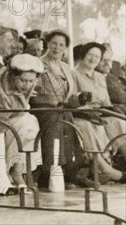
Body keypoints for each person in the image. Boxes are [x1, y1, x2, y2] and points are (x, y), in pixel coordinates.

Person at [0, 54, 44, 191]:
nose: (28, 85)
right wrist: (1, 174)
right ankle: (3, 173)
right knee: (26, 122)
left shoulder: (27, 83)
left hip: (7, 118)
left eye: (31, 81)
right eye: (24, 81)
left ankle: (18, 171)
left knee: (30, 121)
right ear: (13, 76)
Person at [70, 42, 126, 181]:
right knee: (86, 126)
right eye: (90, 55)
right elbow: (71, 101)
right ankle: (105, 168)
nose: (94, 59)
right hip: (80, 115)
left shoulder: (100, 77)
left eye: (97, 56)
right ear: (83, 55)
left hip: (100, 113)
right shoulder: (73, 74)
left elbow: (106, 104)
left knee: (118, 122)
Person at [31, 30, 78, 187]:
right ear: (47, 44)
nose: (57, 48)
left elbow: (69, 95)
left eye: (61, 45)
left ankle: (68, 172)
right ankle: (49, 171)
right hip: (41, 108)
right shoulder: (36, 63)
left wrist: (79, 98)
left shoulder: (65, 67)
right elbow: (31, 91)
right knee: (57, 118)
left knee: (68, 119)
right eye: (54, 43)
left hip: (62, 109)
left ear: (65, 48)